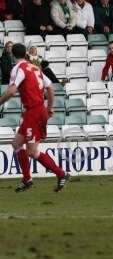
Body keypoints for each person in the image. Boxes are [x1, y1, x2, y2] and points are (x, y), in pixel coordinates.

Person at [0, 43, 70, 192]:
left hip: (34, 113)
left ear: (12, 55)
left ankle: (61, 174)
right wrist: (49, 108)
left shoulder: (18, 68)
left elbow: (12, 91)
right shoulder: (35, 68)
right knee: (16, 143)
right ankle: (27, 179)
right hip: (35, 111)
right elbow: (51, 88)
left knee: (32, 151)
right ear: (25, 54)